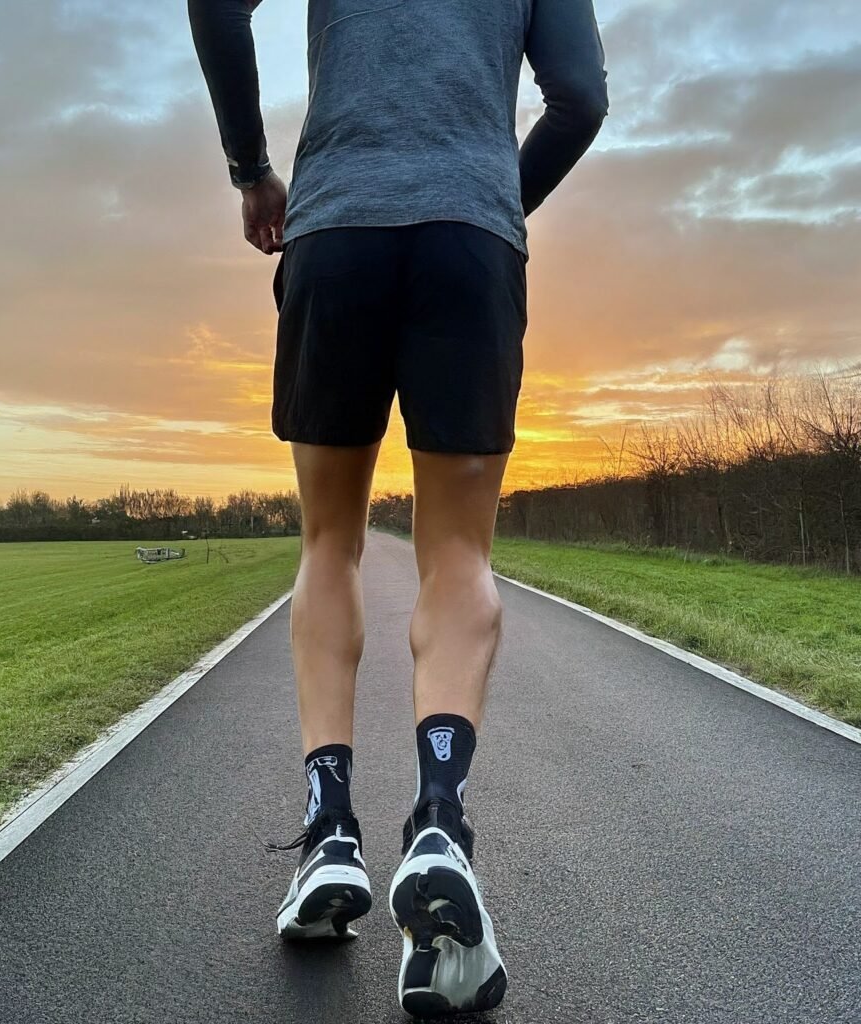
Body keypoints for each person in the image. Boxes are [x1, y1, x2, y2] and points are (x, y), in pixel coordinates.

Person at [187, 0, 608, 1015]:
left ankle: (330, 833)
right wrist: (488, 197)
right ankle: (438, 825)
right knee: (456, 553)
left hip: (334, 228)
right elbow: (580, 100)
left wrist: (251, 172)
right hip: (470, 240)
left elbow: (213, 5)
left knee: (329, 542)